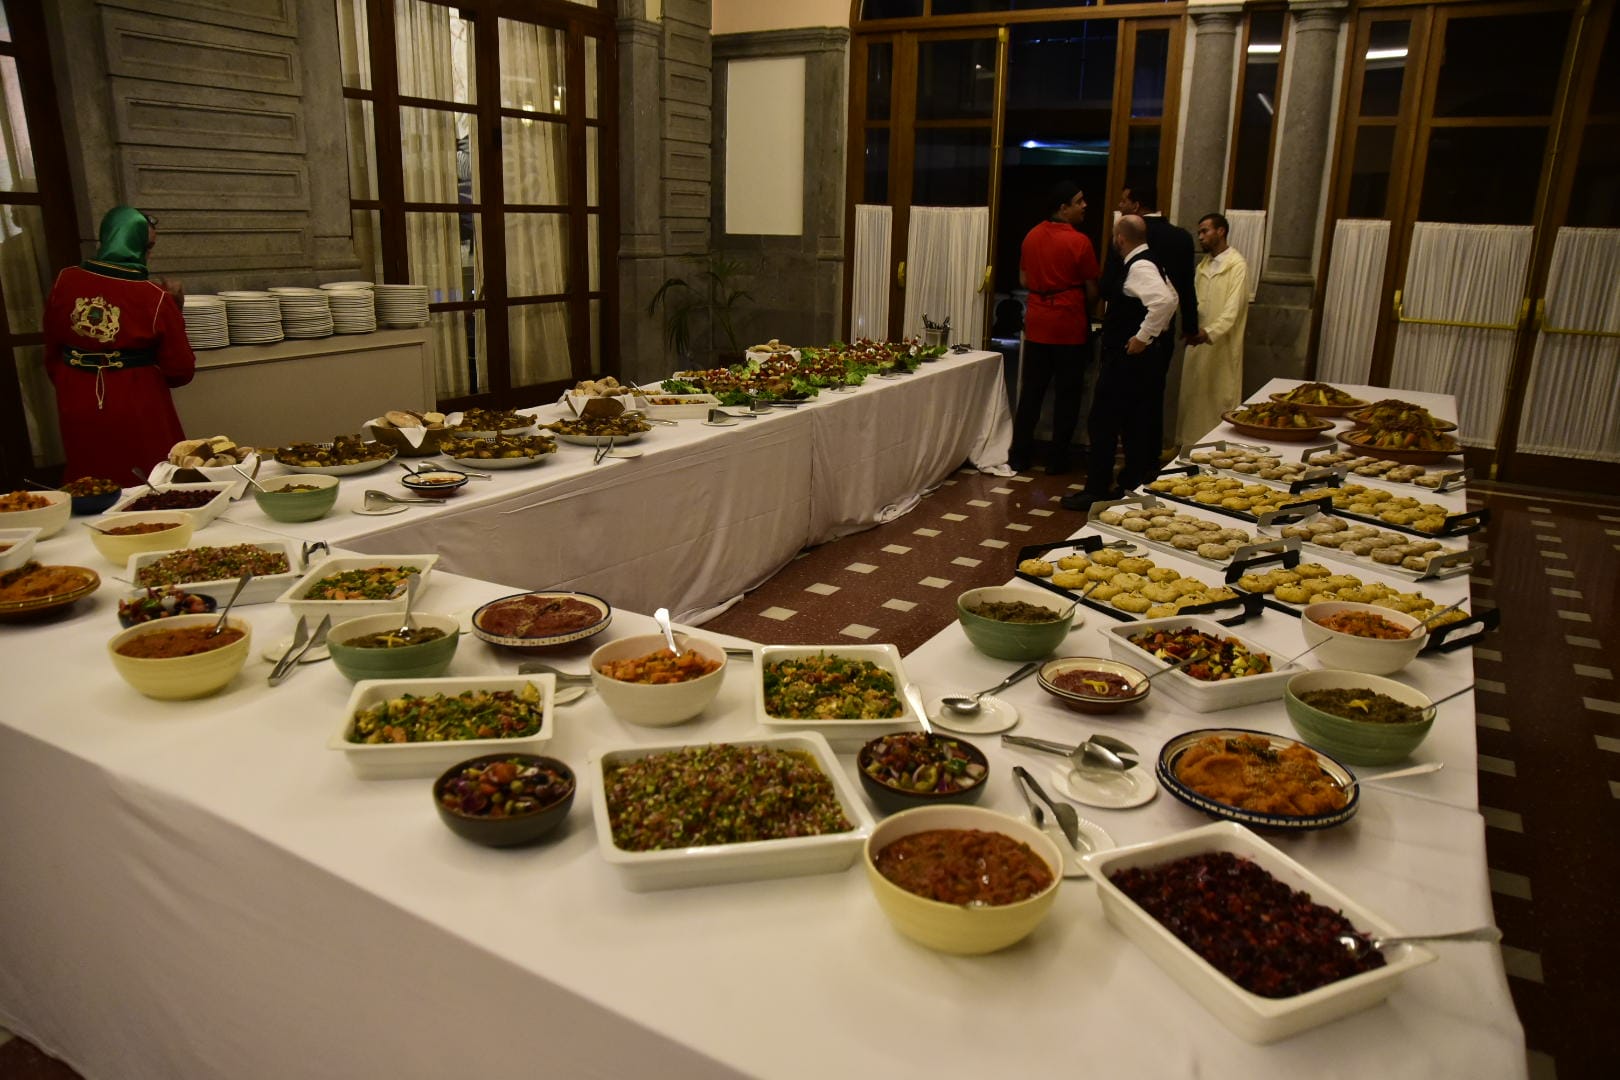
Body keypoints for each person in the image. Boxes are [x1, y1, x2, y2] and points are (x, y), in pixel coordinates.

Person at [44, 206, 196, 482]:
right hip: (138, 398)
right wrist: (176, 309)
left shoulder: (65, 281)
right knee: (148, 477)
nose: (149, 254)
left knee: (89, 474)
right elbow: (180, 371)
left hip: (76, 393)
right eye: (146, 246)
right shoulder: (154, 297)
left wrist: (74, 377)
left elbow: (52, 350)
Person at [1062, 215, 1177, 512]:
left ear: (1120, 239)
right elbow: (1174, 298)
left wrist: (1142, 336)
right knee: (1133, 423)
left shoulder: (1139, 266)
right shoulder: (1152, 260)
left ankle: (1096, 489)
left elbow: (1163, 302)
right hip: (1140, 362)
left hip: (1127, 360)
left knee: (1103, 423)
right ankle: (1129, 483)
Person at [1010, 181, 1100, 474]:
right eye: (1079, 201)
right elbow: (1091, 288)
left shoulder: (1031, 236)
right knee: (1067, 395)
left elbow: (1024, 280)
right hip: (1068, 323)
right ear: (1063, 208)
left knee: (1032, 393)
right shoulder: (1080, 242)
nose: (1084, 205)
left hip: (1037, 320)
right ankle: (1057, 459)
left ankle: (1020, 454)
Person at [1178, 213, 1250, 445]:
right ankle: (1187, 445)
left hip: (1221, 344)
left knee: (1217, 397)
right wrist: (1189, 328)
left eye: (1205, 231)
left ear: (1221, 231)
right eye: (1199, 232)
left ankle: (1215, 449)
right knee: (1193, 397)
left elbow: (1233, 310)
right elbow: (1194, 303)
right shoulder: (1203, 266)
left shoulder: (1237, 265)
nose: (1201, 237)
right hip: (1198, 342)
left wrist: (1209, 332)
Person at [1099, 180, 1199, 343]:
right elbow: (1187, 287)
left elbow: (1107, 285)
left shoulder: (1124, 236)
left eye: (1124, 201)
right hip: (1162, 330)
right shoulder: (1182, 238)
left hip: (1125, 328)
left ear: (1136, 206)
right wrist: (1190, 327)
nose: (1120, 206)